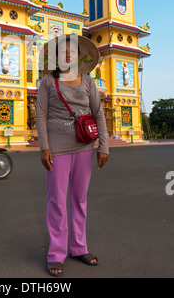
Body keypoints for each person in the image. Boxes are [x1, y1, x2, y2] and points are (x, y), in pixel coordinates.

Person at [37, 34, 109, 277]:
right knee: (57, 200)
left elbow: (98, 114)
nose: (68, 54)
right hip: (56, 147)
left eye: (73, 51)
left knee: (79, 199)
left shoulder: (88, 81)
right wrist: (44, 147)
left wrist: (104, 146)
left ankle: (79, 247)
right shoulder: (47, 82)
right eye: (63, 51)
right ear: (56, 57)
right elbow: (41, 115)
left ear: (80, 56)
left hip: (83, 147)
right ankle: (56, 253)